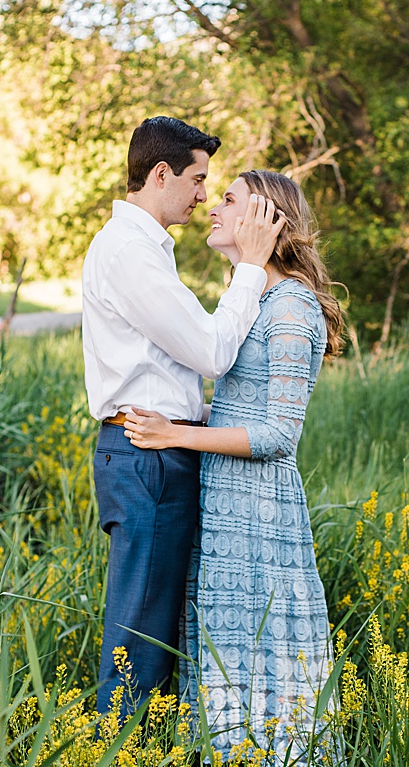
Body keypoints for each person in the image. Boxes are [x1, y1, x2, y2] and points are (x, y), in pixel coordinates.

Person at [123, 170, 344, 759]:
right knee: (226, 658)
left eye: (227, 200)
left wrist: (176, 434)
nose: (212, 207)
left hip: (259, 512)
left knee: (262, 661)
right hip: (223, 507)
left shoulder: (293, 305)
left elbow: (278, 435)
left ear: (267, 221)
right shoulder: (253, 297)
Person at [83, 116, 284, 720]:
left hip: (162, 450)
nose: (203, 194)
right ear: (161, 174)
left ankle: (140, 746)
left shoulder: (145, 250)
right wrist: (251, 267)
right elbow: (211, 352)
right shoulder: (128, 253)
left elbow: (178, 369)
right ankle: (118, 750)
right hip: (147, 459)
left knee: (159, 632)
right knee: (139, 636)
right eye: (198, 179)